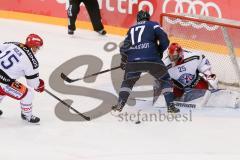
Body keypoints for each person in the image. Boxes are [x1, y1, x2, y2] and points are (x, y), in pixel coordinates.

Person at [112, 10, 180, 113]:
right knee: (165, 80)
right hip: (151, 58)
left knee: (127, 82)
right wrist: (159, 51)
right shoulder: (153, 25)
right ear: (148, 18)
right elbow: (165, 40)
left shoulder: (131, 29)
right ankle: (170, 106)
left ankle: (119, 105)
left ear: (138, 19)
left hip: (133, 61)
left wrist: (124, 60)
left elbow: (124, 48)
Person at [0, 34, 45, 123]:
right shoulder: (32, 62)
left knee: (2, 90)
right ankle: (27, 115)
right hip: (4, 82)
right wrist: (40, 85)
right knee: (28, 94)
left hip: (3, 80)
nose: (38, 49)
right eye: (37, 47)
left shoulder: (15, 44)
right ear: (33, 47)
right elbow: (33, 84)